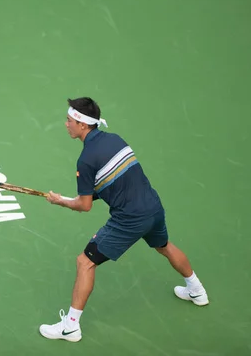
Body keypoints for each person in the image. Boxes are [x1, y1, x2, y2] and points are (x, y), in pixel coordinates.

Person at [38, 97, 209, 343]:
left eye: (70, 120)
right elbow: (115, 182)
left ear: (83, 125)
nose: (66, 124)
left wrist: (60, 201)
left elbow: (84, 206)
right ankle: (197, 290)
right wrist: (75, 196)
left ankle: (70, 327)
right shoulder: (115, 139)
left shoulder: (85, 160)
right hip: (152, 207)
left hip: (129, 219)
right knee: (164, 246)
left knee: (85, 262)